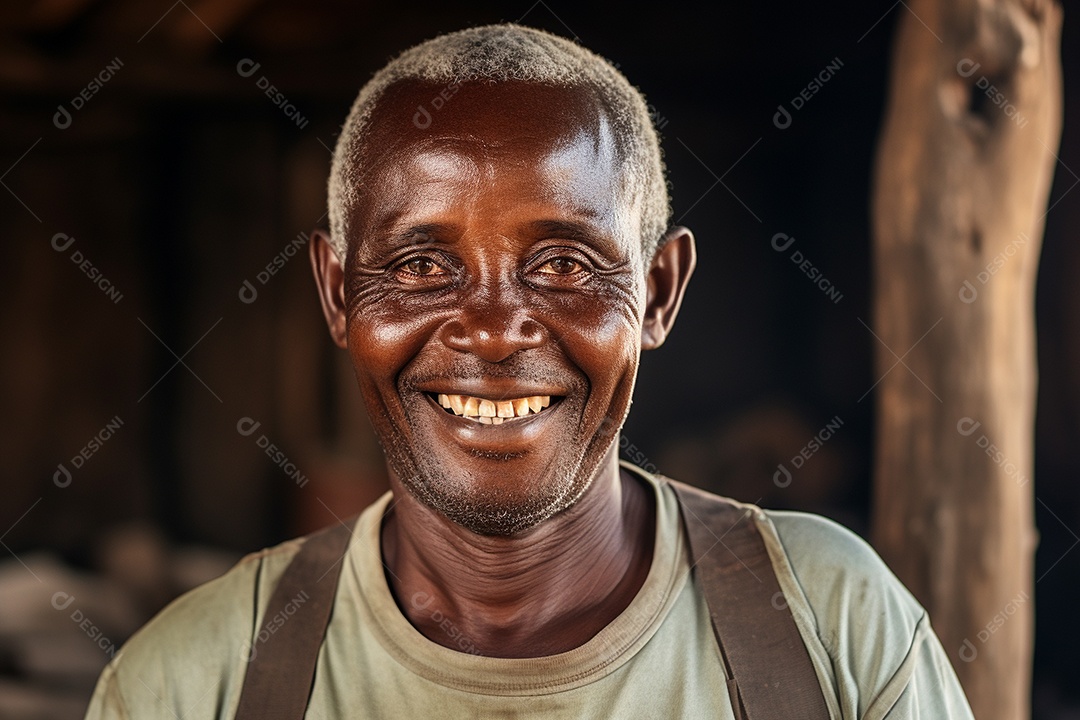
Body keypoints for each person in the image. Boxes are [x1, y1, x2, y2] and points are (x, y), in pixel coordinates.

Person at [85, 23, 974, 719]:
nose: (493, 331)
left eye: (564, 266)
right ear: (335, 293)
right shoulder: (187, 684)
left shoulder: (836, 627)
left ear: (660, 292)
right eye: (420, 267)